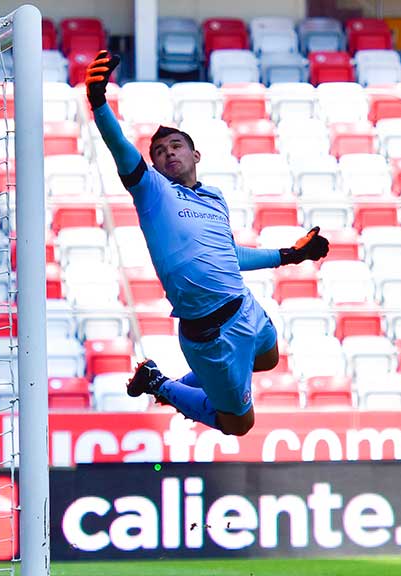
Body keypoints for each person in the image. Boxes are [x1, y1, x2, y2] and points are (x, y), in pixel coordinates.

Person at [84, 51, 330, 436]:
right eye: (160, 151)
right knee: (239, 423)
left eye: (176, 146)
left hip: (245, 307)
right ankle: (158, 384)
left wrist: (289, 255)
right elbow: (120, 148)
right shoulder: (152, 192)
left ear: (195, 154)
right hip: (210, 333)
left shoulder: (214, 198)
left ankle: (176, 379)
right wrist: (99, 103)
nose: (169, 153)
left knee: (267, 358)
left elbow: (229, 256)